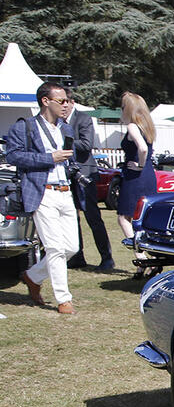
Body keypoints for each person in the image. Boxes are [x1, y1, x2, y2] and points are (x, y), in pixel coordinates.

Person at [5, 81, 79, 314]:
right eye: (61, 101)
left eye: (67, 101)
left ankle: (32, 276)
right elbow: (14, 156)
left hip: (65, 191)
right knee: (55, 247)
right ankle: (63, 299)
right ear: (45, 101)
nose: (66, 105)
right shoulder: (25, 127)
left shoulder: (66, 128)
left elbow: (69, 158)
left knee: (71, 247)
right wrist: (50, 157)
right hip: (41, 191)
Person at [63, 92, 114, 272]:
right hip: (66, 176)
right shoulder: (57, 121)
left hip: (85, 175)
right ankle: (77, 256)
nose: (62, 106)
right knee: (71, 218)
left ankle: (106, 258)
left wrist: (63, 140)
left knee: (93, 218)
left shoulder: (82, 119)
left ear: (72, 102)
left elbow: (86, 144)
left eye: (65, 102)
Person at [116, 92, 158, 254]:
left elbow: (142, 148)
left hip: (135, 175)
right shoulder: (147, 127)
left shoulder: (132, 126)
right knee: (144, 216)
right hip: (148, 174)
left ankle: (140, 256)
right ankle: (149, 254)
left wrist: (139, 165)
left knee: (124, 218)